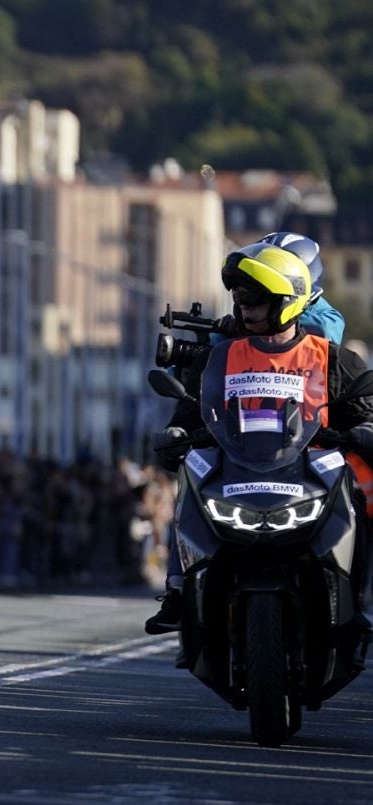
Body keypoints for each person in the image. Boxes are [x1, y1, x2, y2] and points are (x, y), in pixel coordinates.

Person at [146, 241, 373, 635]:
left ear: (286, 300)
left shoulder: (330, 356)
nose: (243, 306)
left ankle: (355, 602)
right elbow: (190, 410)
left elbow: (363, 409)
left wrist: (364, 431)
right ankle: (180, 590)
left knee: (355, 499)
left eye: (255, 298)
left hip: (309, 469)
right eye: (239, 297)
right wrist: (177, 434)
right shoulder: (221, 354)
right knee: (190, 480)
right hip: (237, 465)